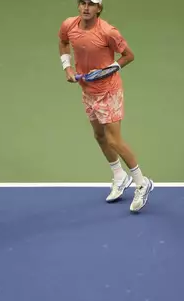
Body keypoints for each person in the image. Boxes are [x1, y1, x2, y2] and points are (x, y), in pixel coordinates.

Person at [58, 0, 154, 212]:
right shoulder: (69, 25)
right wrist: (67, 68)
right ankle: (119, 176)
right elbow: (63, 43)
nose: (86, 8)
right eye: (82, 2)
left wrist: (112, 68)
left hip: (109, 91)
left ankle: (141, 182)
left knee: (113, 139)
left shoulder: (108, 32)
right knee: (100, 136)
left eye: (91, 4)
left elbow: (129, 55)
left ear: (99, 8)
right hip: (87, 90)